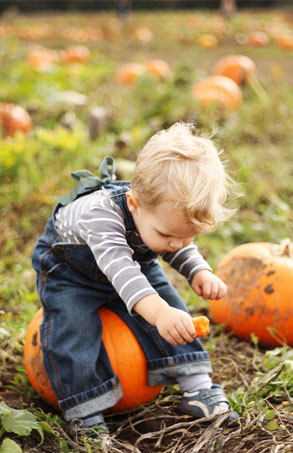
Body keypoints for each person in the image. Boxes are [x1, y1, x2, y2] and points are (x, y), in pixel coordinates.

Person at [32, 122, 239, 436]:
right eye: (166, 235)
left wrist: (198, 270)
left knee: (173, 308)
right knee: (73, 328)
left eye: (187, 237)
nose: (176, 244)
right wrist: (159, 313)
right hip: (70, 272)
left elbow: (177, 244)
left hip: (130, 263)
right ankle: (84, 409)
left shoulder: (160, 216)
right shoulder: (100, 216)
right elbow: (121, 269)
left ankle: (198, 387)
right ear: (134, 204)